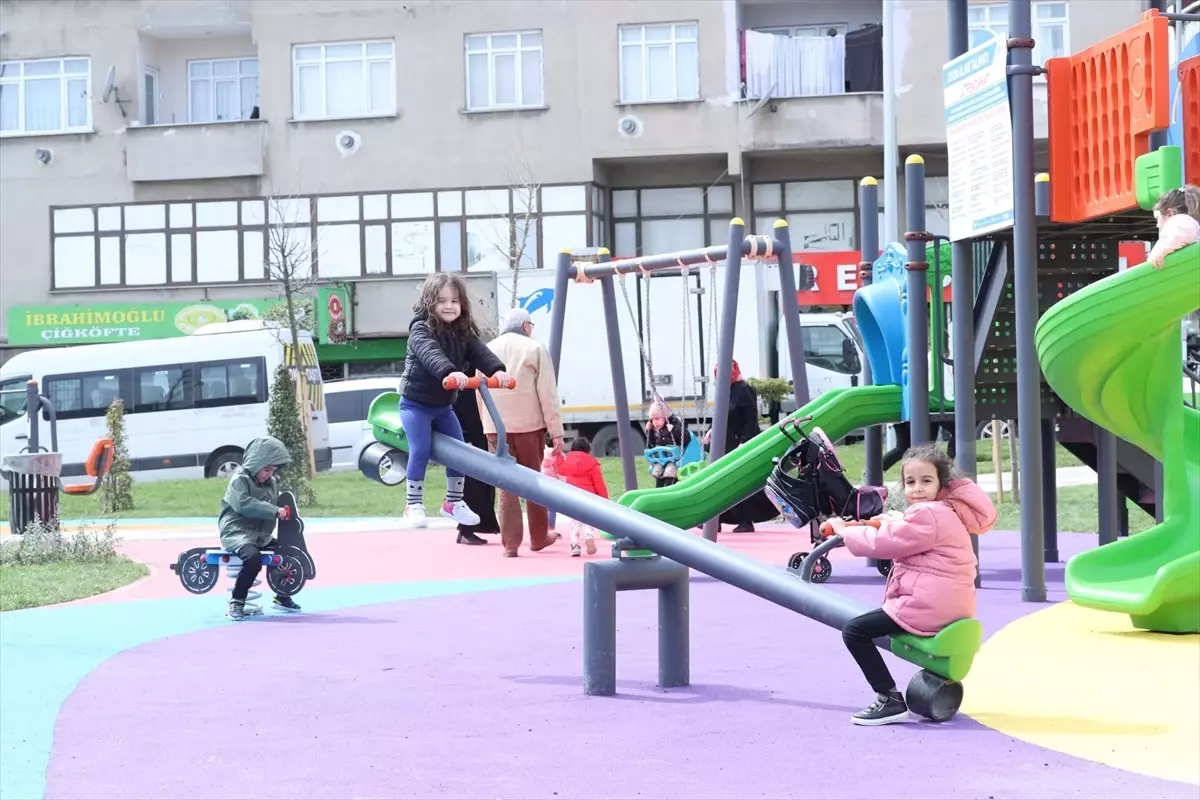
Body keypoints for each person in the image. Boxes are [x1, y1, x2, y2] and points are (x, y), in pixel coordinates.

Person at [824, 443, 997, 726]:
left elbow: (887, 543)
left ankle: (888, 699)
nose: (917, 489)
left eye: (926, 481)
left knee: (855, 631)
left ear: (942, 484)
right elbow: (909, 531)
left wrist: (845, 532)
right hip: (951, 604)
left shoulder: (927, 514)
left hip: (928, 606)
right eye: (910, 482)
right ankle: (891, 697)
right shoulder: (944, 511)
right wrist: (888, 521)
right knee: (872, 623)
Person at [400, 273, 509, 529]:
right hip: (416, 404)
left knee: (460, 453)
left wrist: (497, 370)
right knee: (421, 448)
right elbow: (430, 353)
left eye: (454, 300)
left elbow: (479, 352)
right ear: (429, 303)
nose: (449, 306)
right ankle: (413, 503)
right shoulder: (420, 329)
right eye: (441, 301)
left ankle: (453, 502)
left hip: (443, 406)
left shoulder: (462, 331)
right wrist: (450, 372)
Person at [479, 307, 564, 557]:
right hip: (529, 427)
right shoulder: (534, 349)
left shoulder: (486, 350)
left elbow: (479, 393)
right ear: (526, 326)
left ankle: (511, 545)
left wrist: (487, 423)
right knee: (532, 481)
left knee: (506, 486)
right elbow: (547, 394)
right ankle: (538, 538)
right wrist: (556, 431)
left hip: (495, 427)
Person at [218, 436, 301, 621]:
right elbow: (244, 504)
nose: (269, 474)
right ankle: (237, 601)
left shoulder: (270, 482)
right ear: (256, 462)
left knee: (286, 554)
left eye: (272, 471)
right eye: (266, 469)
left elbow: (274, 500)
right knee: (253, 559)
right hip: (237, 532)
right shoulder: (239, 480)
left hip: (260, 534)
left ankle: (282, 595)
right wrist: (275, 511)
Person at [703, 359, 777, 532]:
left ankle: (745, 520)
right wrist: (710, 431)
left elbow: (751, 418)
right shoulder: (724, 391)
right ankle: (717, 520)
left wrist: (745, 442)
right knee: (719, 482)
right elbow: (721, 414)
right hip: (725, 444)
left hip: (740, 444)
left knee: (738, 483)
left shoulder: (744, 389)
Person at [451, 370, 501, 546]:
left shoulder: (467, 372)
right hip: (471, 437)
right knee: (474, 484)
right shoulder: (462, 376)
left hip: (476, 435)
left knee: (479, 483)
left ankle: (468, 528)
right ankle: (467, 529)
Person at [552, 437, 609, 556]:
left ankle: (575, 546)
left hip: (573, 497)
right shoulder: (593, 463)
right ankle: (589, 535)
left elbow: (561, 470)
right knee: (589, 520)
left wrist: (558, 457)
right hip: (589, 497)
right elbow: (599, 483)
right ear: (588, 451)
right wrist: (604, 499)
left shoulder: (568, 461)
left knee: (575, 523)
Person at [1148, 185, 1200, 269]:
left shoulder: (1180, 221)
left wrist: (1164, 250)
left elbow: (1184, 229)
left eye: (1157, 217)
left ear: (1169, 213)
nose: (1157, 225)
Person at [645, 399, 684, 488]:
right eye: (653, 420)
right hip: (661, 458)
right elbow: (651, 444)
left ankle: (668, 489)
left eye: (657, 419)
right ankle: (658, 490)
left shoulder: (674, 424)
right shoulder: (655, 430)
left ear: (665, 417)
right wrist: (649, 431)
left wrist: (674, 430)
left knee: (670, 472)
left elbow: (686, 438)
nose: (655, 422)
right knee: (658, 472)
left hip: (674, 459)